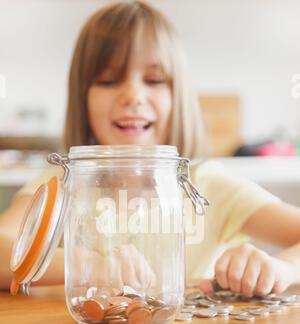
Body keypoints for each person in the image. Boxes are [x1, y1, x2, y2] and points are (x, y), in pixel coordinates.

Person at [1, 0, 300, 297]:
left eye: (154, 80)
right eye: (108, 80)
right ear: (82, 98)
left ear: (178, 97)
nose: (133, 95)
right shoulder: (62, 183)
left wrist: (281, 268)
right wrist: (90, 266)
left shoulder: (208, 185)